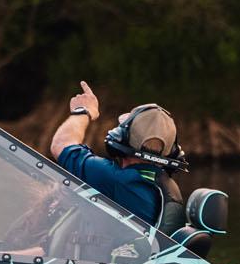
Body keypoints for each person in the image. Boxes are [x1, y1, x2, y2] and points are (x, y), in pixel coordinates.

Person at [48, 81, 186, 228]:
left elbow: (61, 145)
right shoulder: (159, 184)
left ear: (122, 137)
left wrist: (83, 110)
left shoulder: (118, 180)